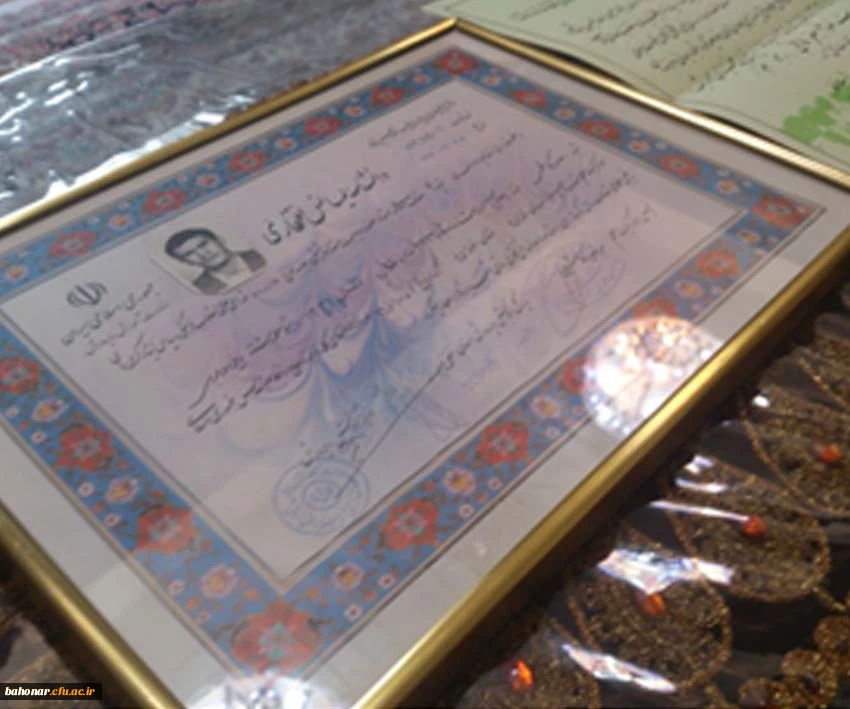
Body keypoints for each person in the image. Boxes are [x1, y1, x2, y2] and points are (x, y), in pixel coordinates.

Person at [164, 228, 266, 295]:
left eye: (203, 244)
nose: (203, 254)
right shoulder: (200, 290)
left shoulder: (261, 253)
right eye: (189, 254)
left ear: (220, 240)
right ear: (186, 262)